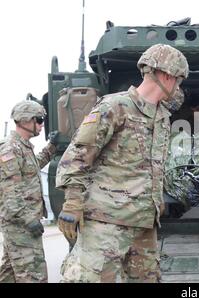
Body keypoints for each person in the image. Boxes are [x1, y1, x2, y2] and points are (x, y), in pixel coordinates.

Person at [55, 44, 189, 283]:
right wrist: (73, 203)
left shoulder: (161, 117)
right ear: (167, 76)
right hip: (107, 223)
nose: (178, 87)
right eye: (178, 80)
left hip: (144, 226)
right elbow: (77, 156)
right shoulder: (114, 107)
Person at [0, 100, 57, 283]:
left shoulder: (23, 147)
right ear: (26, 120)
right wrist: (29, 220)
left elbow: (33, 168)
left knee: (9, 274)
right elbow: (9, 191)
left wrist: (51, 147)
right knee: (34, 275)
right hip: (20, 225)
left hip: (21, 222)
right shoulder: (10, 148)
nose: (42, 125)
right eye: (39, 120)